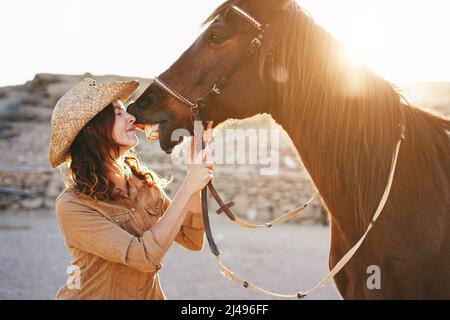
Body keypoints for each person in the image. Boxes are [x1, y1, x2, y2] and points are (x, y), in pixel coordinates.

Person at [48, 77, 213, 299]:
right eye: (119, 114)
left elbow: (191, 239)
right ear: (94, 130)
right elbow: (143, 257)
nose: (132, 118)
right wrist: (189, 184)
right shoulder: (72, 206)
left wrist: (195, 172)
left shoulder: (141, 182)